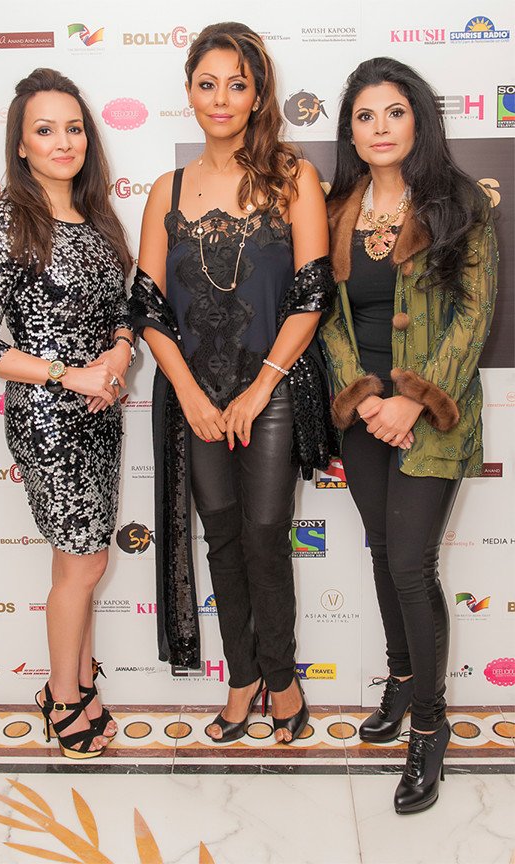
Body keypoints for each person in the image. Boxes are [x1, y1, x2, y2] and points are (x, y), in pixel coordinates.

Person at [130, 22, 337, 744]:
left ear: (257, 95)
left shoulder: (292, 177)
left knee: (264, 533)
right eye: (207, 83)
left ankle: (282, 681)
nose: (220, 98)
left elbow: (311, 294)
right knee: (219, 535)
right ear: (189, 91)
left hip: (270, 389)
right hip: (192, 395)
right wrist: (189, 394)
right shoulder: (167, 189)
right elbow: (148, 305)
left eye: (236, 84)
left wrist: (258, 390)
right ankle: (240, 678)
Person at [319, 57, 498, 811]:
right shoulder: (336, 209)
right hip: (363, 416)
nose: (380, 127)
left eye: (394, 112)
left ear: (418, 119)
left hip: (434, 412)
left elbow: (473, 316)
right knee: (382, 551)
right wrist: (364, 398)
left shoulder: (459, 204)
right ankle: (399, 679)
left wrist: (411, 401)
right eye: (364, 116)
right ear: (350, 132)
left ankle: (429, 725)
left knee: (410, 566)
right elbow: (326, 319)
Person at [0, 68, 135, 759]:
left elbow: (122, 309)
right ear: (21, 145)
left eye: (74, 128)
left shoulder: (97, 218)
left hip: (101, 412)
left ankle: (79, 683)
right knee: (82, 566)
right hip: (49, 421)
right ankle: (63, 698)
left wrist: (118, 353)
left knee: (83, 562)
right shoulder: (10, 221)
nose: (64, 142)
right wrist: (68, 373)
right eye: (45, 129)